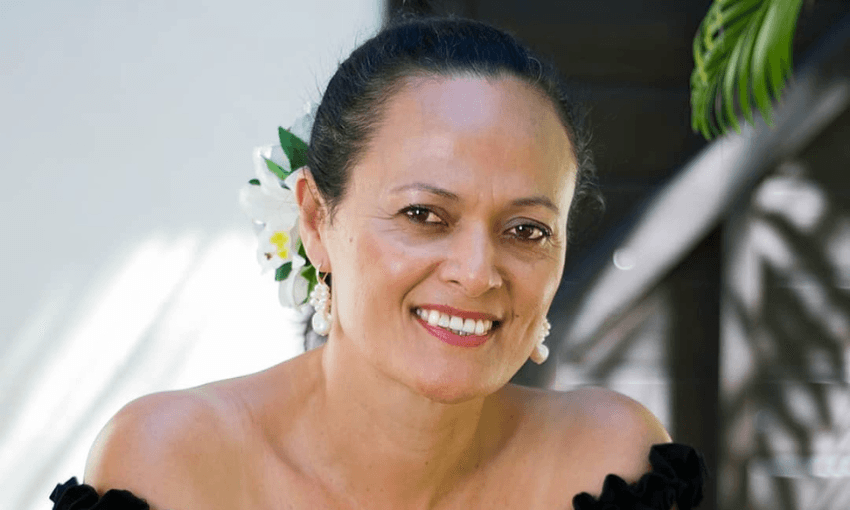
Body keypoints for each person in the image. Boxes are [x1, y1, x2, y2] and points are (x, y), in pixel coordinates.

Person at [50, 13, 706, 510]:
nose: (477, 272)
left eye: (526, 229)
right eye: (423, 215)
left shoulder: (609, 466)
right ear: (314, 220)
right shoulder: (173, 465)